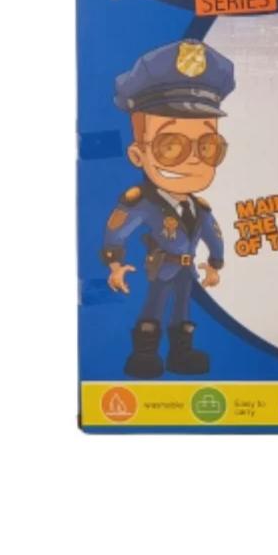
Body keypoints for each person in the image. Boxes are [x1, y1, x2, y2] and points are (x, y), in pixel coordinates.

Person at [102, 39, 235, 378]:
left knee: (183, 313)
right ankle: (145, 355)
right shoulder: (143, 202)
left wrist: (215, 264)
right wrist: (115, 264)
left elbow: (213, 236)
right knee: (154, 309)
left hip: (188, 272)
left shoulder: (199, 208)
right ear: (138, 154)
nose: (193, 159)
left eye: (208, 146)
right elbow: (118, 230)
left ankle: (181, 355)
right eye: (171, 146)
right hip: (161, 269)